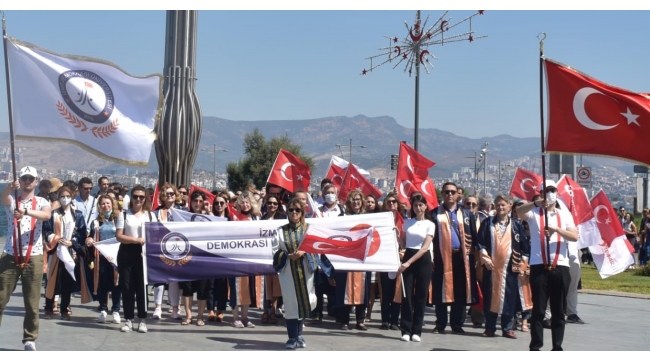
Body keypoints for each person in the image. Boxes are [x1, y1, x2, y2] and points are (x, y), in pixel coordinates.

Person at [516, 179, 578, 351]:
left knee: (559, 311)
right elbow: (518, 212)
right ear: (541, 194)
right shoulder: (534, 212)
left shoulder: (564, 214)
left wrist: (557, 230)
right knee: (539, 310)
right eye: (546, 191)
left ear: (557, 193)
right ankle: (536, 346)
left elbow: (574, 236)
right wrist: (536, 202)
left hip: (560, 266)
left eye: (552, 191)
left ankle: (557, 347)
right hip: (539, 266)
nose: (550, 194)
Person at [0, 166, 52, 351]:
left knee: (31, 301)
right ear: (19, 181)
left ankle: (30, 338)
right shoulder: (12, 199)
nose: (27, 181)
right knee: (1, 297)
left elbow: (47, 215)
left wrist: (26, 212)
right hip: (10, 253)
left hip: (34, 254)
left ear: (36, 182)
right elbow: (3, 197)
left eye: (31, 179)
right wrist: (8, 185)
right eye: (24, 179)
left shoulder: (41, 201)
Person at [272, 198, 330, 349]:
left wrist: (304, 252)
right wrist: (288, 256)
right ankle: (292, 337)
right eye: (290, 210)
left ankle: (299, 334)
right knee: (291, 303)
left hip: (305, 269)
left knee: (306, 301)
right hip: (288, 271)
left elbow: (316, 247)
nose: (293, 213)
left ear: (302, 212)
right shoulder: (280, 231)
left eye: (297, 210)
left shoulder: (309, 229)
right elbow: (275, 250)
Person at [477, 195, 529, 339]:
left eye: (503, 205)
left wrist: (523, 265)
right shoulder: (488, 223)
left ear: (509, 206)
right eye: (498, 205)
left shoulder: (517, 225)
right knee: (490, 298)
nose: (500, 207)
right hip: (492, 268)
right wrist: (485, 259)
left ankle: (507, 328)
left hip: (510, 268)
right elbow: (480, 243)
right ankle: (490, 328)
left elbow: (525, 247)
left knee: (509, 299)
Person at [430, 182, 479, 335]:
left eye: (452, 192)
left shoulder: (466, 213)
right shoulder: (434, 214)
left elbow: (474, 236)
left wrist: (476, 257)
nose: (449, 194)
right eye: (446, 192)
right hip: (441, 257)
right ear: (442, 194)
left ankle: (457, 323)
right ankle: (440, 323)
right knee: (441, 289)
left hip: (461, 257)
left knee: (460, 291)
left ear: (458, 194)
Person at [116, 185, 158, 333]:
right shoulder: (124, 215)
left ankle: (142, 319)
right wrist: (135, 240)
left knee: (142, 287)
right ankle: (128, 319)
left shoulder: (151, 216)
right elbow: (119, 236)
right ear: (131, 198)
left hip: (144, 254)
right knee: (127, 287)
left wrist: (148, 249)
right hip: (127, 252)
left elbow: (155, 236)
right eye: (135, 196)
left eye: (141, 196)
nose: (138, 199)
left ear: (145, 198)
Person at [43, 186, 89, 321]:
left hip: (70, 252)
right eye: (62, 196)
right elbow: (47, 231)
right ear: (58, 196)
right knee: (52, 280)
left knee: (67, 281)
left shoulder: (77, 214)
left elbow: (81, 232)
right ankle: (48, 307)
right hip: (56, 251)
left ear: (72, 197)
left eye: (67, 196)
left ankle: (64, 308)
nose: (65, 199)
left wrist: (72, 242)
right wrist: (56, 239)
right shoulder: (53, 214)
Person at [398, 193, 434, 342]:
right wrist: (395, 233)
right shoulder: (407, 222)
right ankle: (406, 329)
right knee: (406, 295)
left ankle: (417, 331)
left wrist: (408, 262)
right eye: (415, 205)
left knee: (421, 296)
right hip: (409, 254)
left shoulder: (430, 224)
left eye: (420, 205)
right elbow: (404, 244)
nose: (418, 208)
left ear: (425, 206)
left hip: (422, 259)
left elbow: (425, 248)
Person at [333, 190, 370, 331]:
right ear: (349, 202)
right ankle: (344, 321)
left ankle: (360, 320)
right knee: (344, 289)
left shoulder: (368, 219)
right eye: (353, 200)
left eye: (358, 200)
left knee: (362, 289)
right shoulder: (342, 218)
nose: (356, 202)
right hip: (346, 259)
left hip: (362, 259)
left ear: (362, 202)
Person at [86, 194, 122, 324]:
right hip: (100, 257)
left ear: (112, 204)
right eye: (103, 204)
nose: (105, 206)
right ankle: (103, 309)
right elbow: (90, 236)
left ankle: (116, 310)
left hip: (116, 257)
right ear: (99, 206)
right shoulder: (95, 222)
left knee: (116, 284)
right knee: (102, 284)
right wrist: (89, 239)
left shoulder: (119, 219)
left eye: (108, 203)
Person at [229, 191, 262, 328]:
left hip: (250, 258)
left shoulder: (256, 219)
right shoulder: (234, 218)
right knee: (236, 288)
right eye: (242, 202)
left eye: (247, 202)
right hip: (236, 258)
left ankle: (245, 317)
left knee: (247, 288)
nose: (245, 204)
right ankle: (235, 317)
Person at [180, 190, 213, 326]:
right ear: (191, 202)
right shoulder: (183, 216)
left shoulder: (208, 217)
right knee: (187, 288)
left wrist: (208, 211)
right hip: (188, 256)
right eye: (195, 201)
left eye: (200, 201)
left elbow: (217, 226)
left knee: (202, 288)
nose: (197, 204)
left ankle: (200, 316)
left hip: (203, 258)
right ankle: (188, 315)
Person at [152, 184, 182, 320]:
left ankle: (175, 308)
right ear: (162, 196)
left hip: (177, 250)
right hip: (160, 249)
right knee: (159, 279)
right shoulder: (155, 213)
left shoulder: (182, 212)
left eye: (172, 194)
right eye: (167, 194)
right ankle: (158, 307)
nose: (170, 196)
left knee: (174, 280)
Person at [378, 193, 403, 331]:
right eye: (389, 202)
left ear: (398, 204)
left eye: (394, 201)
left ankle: (395, 320)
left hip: (399, 260)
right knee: (386, 292)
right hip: (384, 260)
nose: (391, 204)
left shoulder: (404, 221)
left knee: (397, 290)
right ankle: (385, 320)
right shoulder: (381, 220)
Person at [261, 194, 286, 324]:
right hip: (264, 256)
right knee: (265, 286)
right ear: (266, 204)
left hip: (277, 256)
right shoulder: (261, 219)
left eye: (275, 204)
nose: (272, 205)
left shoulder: (282, 220)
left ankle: (274, 311)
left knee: (276, 285)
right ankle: (265, 311)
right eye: (270, 203)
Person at [207, 191, 231, 322]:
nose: (219, 205)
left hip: (224, 256)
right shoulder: (209, 218)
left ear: (226, 204)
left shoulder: (230, 220)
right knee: (210, 284)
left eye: (222, 203)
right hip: (211, 254)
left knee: (222, 284)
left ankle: (220, 310)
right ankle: (210, 309)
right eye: (216, 203)